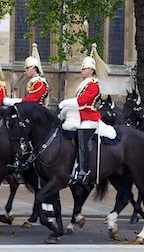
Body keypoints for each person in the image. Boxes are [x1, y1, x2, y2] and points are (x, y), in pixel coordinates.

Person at [58, 43, 112, 184]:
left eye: (85, 68)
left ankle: (84, 171)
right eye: (82, 67)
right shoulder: (85, 84)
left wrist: (65, 103)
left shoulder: (93, 84)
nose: (82, 69)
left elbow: (82, 102)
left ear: (91, 70)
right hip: (79, 115)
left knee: (83, 138)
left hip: (89, 117)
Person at [3, 43, 49, 173]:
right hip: (30, 112)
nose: (25, 71)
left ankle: (27, 151)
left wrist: (13, 101)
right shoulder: (34, 82)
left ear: (34, 68)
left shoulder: (40, 82)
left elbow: (32, 100)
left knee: (21, 128)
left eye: (27, 68)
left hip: (37, 113)